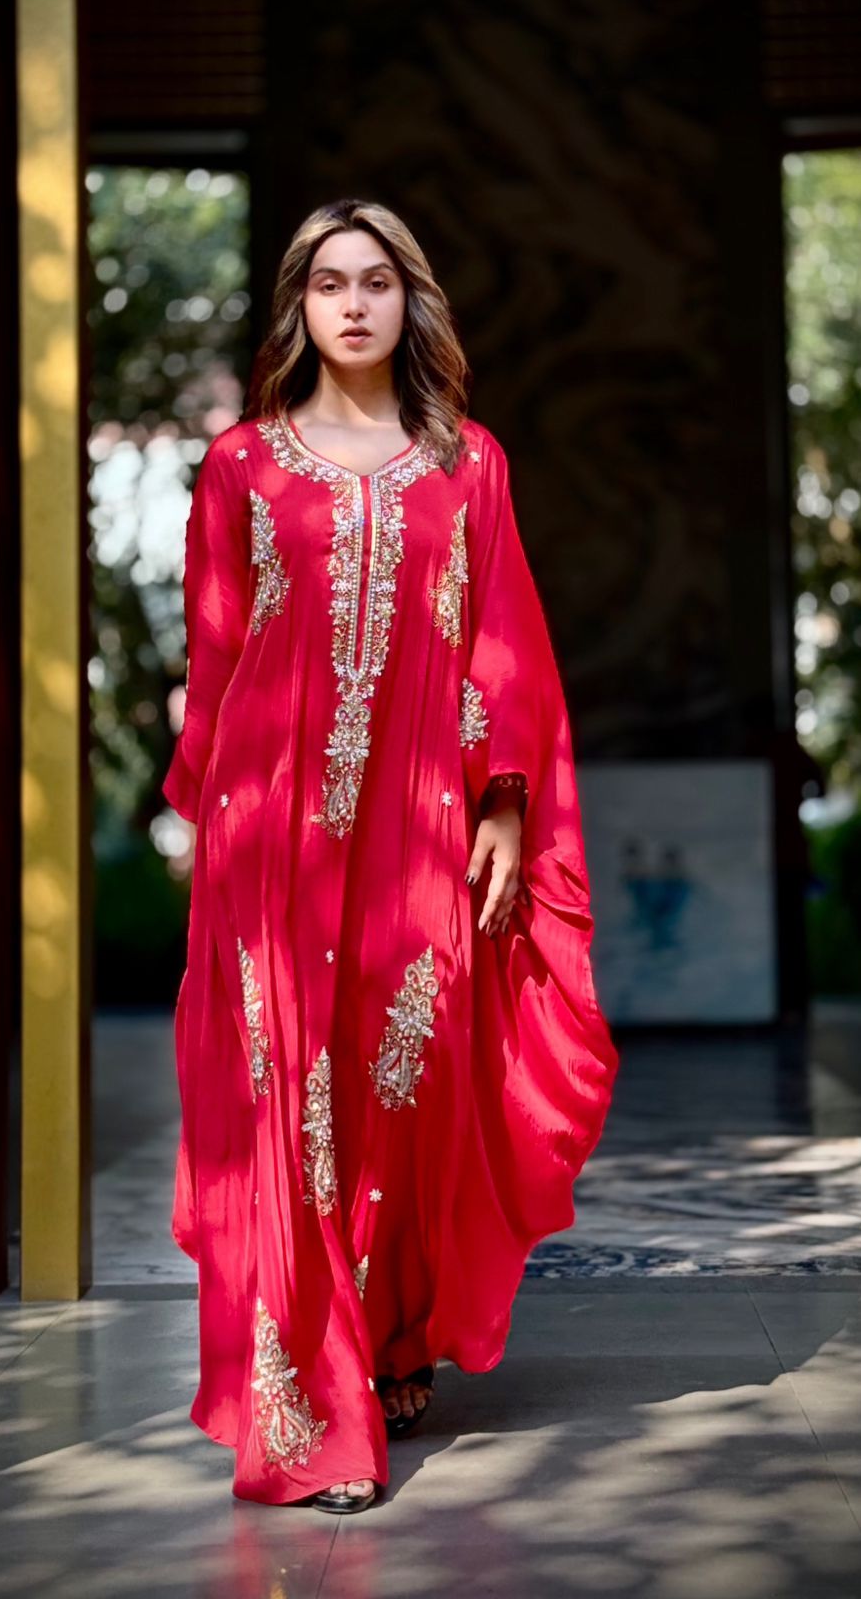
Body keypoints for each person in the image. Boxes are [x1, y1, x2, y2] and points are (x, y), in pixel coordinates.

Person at [162, 197, 619, 1514]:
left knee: (400, 1084)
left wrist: (505, 805)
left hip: (419, 824)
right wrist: (211, 814)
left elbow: (502, 641)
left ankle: (393, 1329)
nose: (354, 305)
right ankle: (309, 1408)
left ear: (412, 303)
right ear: (298, 307)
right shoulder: (242, 466)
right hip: (272, 834)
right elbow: (217, 646)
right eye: (329, 284)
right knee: (285, 1097)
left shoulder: (466, 463)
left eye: (378, 282)